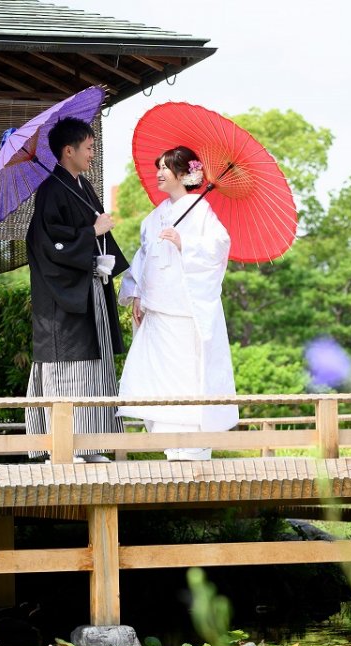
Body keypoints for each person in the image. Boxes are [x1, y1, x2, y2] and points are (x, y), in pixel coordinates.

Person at [117, 146, 237, 460]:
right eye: (158, 166)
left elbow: (219, 246)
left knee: (188, 376)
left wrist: (187, 243)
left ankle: (194, 447)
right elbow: (143, 260)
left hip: (185, 311)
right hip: (157, 310)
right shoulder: (152, 219)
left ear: (184, 174)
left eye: (166, 168)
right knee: (156, 376)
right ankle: (170, 443)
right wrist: (138, 295)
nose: (159, 173)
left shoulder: (200, 210)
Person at [24, 116, 128, 463]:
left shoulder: (81, 186)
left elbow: (97, 234)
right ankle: (62, 447)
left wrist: (104, 259)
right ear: (68, 151)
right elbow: (48, 244)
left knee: (94, 366)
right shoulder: (52, 189)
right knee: (68, 368)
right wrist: (91, 235)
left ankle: (90, 444)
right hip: (63, 299)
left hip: (90, 288)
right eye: (88, 147)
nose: (92, 154)